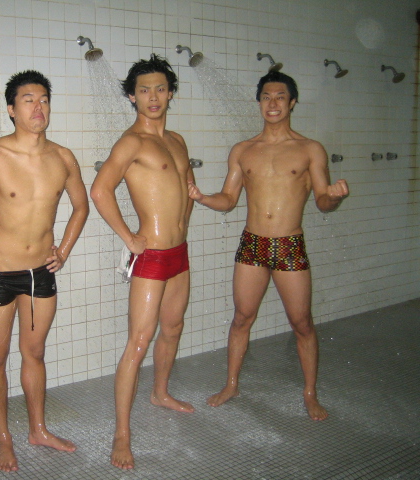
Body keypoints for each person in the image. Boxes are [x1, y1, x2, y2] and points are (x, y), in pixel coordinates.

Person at [188, 70, 349, 421]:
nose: (272, 103)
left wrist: (334, 197)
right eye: (266, 97)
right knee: (241, 318)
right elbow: (228, 199)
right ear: (259, 102)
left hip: (289, 245)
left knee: (302, 323)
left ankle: (310, 393)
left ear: (292, 102)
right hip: (253, 244)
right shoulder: (243, 151)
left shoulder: (309, 150)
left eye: (280, 97)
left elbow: (322, 200)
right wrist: (202, 198)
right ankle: (231, 384)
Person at [0, 70, 88, 472]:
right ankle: (3, 437)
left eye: (43, 99)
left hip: (40, 274)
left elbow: (81, 207)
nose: (38, 107)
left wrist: (63, 251)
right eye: (28, 100)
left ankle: (38, 429)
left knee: (35, 353)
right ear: (11, 109)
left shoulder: (63, 157)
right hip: (0, 275)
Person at [90, 54, 195, 470]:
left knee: (173, 327)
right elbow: (100, 190)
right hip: (151, 256)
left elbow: (187, 189)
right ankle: (122, 433)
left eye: (160, 89)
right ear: (132, 97)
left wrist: (183, 223)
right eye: (144, 90)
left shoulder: (178, 141)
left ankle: (160, 392)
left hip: (179, 253)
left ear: (170, 94)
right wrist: (129, 237)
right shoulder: (132, 142)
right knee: (138, 341)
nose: (153, 97)